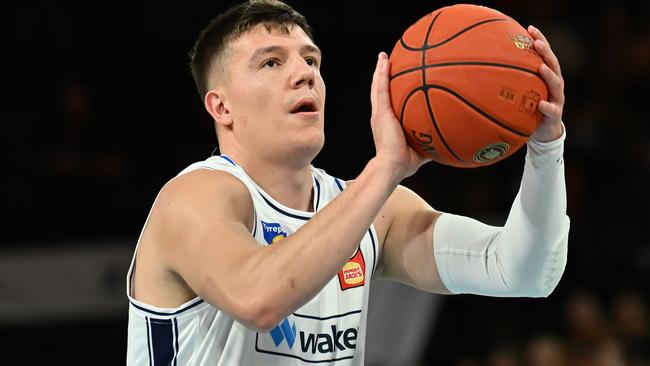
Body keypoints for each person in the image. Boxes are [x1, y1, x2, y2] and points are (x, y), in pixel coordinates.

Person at [125, 0, 570, 364]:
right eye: (271, 63)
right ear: (221, 108)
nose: (304, 74)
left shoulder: (374, 209)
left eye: (311, 59)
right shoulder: (192, 198)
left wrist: (546, 148)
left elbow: (521, 271)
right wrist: (386, 168)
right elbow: (259, 299)